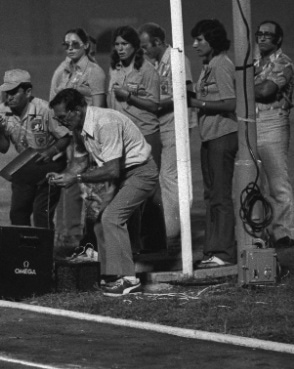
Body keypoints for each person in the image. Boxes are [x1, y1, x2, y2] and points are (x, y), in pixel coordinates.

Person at [47, 88, 159, 296]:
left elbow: (112, 169)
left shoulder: (105, 122)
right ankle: (111, 276)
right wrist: (64, 176)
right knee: (100, 222)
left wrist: (77, 178)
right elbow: (80, 161)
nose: (60, 122)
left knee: (112, 218)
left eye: (62, 117)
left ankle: (129, 279)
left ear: (76, 110)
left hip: (141, 172)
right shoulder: (79, 127)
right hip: (124, 175)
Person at [49, 28, 107, 257]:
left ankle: (89, 240)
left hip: (89, 136)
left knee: (92, 189)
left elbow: (100, 109)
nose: (70, 48)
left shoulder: (94, 72)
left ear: (86, 45)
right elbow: (54, 106)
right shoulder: (62, 72)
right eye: (67, 44)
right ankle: (71, 235)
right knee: (72, 184)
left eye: (75, 44)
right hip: (70, 137)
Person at [109, 25, 166, 252]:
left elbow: (155, 104)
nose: (121, 49)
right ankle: (132, 245)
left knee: (149, 193)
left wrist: (129, 96)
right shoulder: (116, 70)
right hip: (124, 137)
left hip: (146, 135)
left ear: (135, 46)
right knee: (127, 191)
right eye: (118, 44)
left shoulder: (147, 70)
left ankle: (155, 245)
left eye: (125, 44)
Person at [139, 22, 196, 251]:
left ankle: (173, 232)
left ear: (158, 42)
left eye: (146, 46)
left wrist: (155, 104)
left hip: (176, 125)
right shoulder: (157, 63)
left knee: (170, 177)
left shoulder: (177, 59)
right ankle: (171, 228)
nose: (143, 50)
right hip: (165, 124)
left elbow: (186, 93)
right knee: (167, 178)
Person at [0, 69, 71, 228]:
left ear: (28, 92)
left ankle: (43, 252)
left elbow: (66, 136)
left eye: (14, 92)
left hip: (50, 163)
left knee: (41, 212)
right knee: (18, 212)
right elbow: (3, 148)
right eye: (7, 92)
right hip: (26, 165)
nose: (9, 96)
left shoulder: (45, 109)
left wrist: (50, 152)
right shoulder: (2, 111)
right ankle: (23, 251)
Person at [188, 19, 238, 267]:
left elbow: (230, 103)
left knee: (220, 196)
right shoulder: (208, 65)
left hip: (222, 136)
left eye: (200, 40)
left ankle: (225, 252)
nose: (195, 44)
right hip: (209, 137)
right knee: (210, 196)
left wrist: (200, 104)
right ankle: (212, 249)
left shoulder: (221, 65)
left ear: (213, 41)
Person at [253, 21, 294, 248]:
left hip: (272, 122)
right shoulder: (254, 64)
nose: (262, 38)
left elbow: (267, 91)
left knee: (277, 181)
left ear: (278, 39)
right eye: (259, 34)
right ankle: (258, 231)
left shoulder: (283, 62)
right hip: (253, 122)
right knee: (254, 181)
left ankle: (284, 233)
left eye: (267, 35)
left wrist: (243, 87)